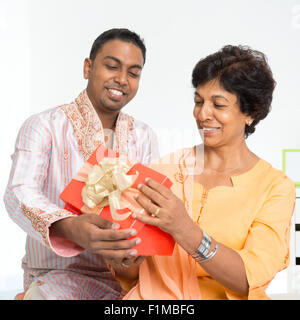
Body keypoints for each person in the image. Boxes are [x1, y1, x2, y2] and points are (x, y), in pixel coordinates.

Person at [108, 45, 296, 300]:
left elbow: (249, 279)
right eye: (198, 102)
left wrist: (185, 229)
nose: (202, 114)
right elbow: (128, 274)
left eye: (218, 104)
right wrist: (125, 259)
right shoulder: (163, 170)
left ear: (250, 113)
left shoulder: (275, 187)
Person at [3, 28, 159, 300]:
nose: (122, 79)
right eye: (112, 66)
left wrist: (133, 254)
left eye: (133, 73)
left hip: (123, 282)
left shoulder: (144, 136)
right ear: (88, 67)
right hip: (55, 278)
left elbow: (145, 214)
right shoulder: (43, 126)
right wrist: (68, 227)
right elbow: (18, 193)